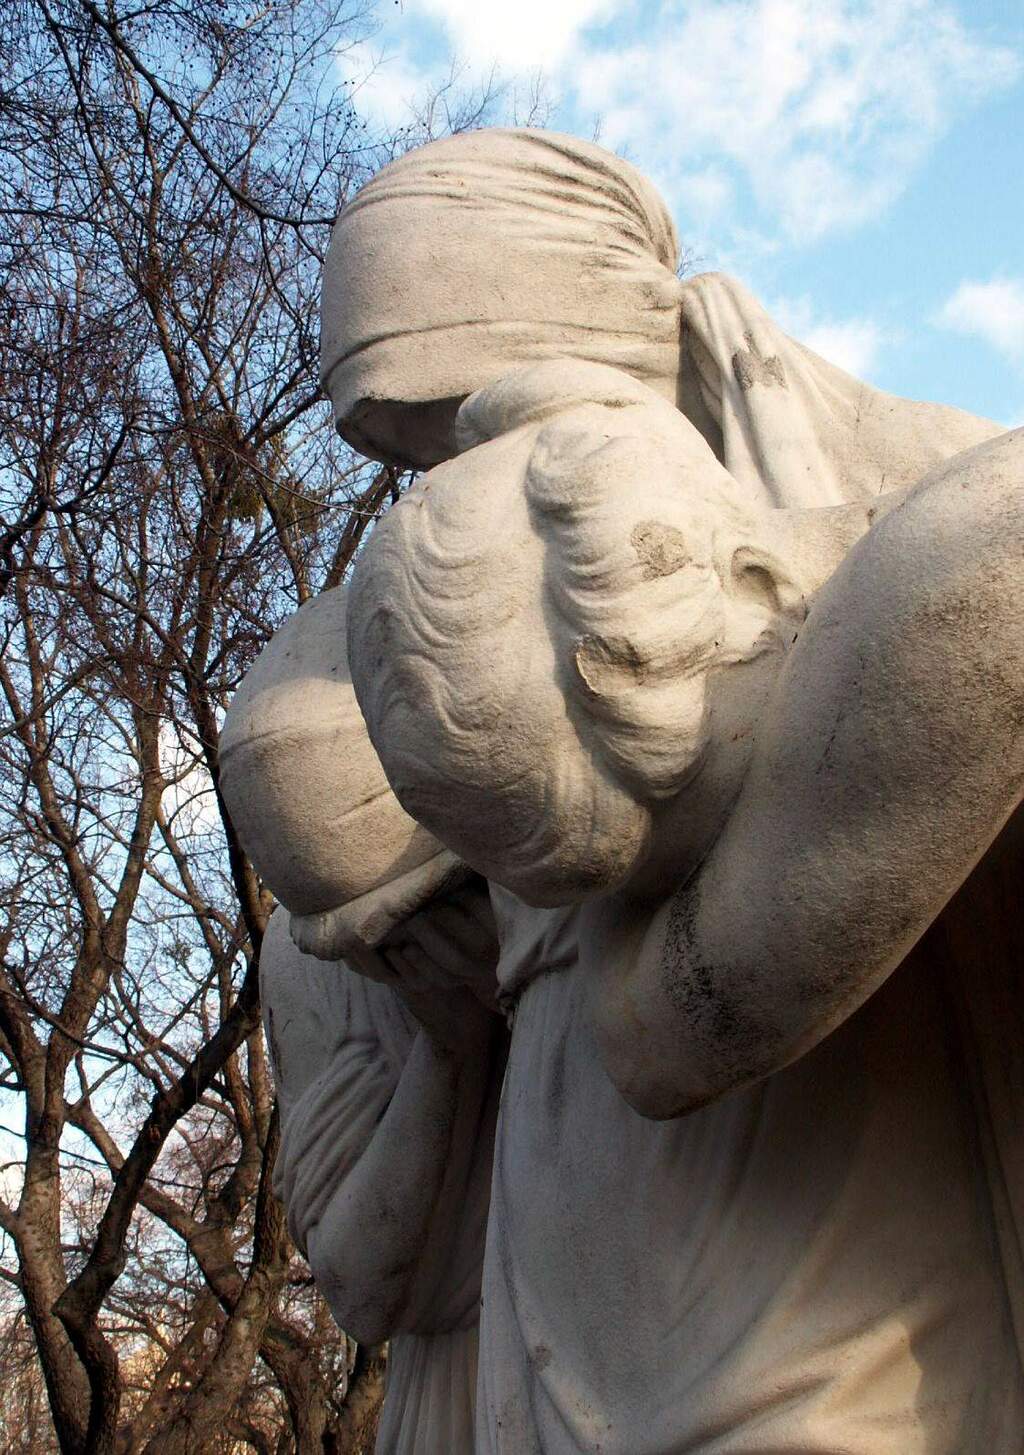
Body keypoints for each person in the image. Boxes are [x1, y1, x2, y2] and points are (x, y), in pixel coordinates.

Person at [331, 129, 1024, 1451]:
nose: (454, 449)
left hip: (807, 1306)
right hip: (614, 1308)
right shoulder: (914, 584)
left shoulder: (918, 520)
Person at [220, 587, 508, 1453]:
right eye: (371, 940)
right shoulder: (307, 964)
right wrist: (451, 1049)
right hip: (462, 1389)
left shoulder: (562, 842)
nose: (398, 951)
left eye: (432, 908)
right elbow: (359, 1286)